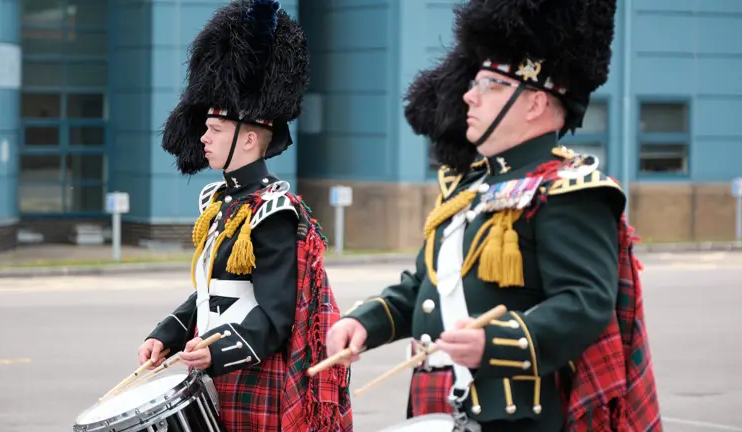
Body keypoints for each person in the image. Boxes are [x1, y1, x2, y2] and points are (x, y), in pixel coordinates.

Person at [326, 0, 662, 431]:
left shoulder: (569, 189)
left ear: (536, 102)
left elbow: (585, 303)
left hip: (518, 418)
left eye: (490, 84)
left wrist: (496, 343)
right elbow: (428, 287)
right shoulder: (466, 188)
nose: (470, 94)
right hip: (437, 404)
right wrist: (364, 322)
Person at [136, 1, 353, 431]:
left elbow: (276, 316)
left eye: (215, 130)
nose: (203, 137)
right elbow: (212, 293)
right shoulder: (220, 202)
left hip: (253, 377)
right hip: (217, 375)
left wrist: (217, 351)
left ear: (250, 139)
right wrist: (167, 333)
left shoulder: (273, 211)